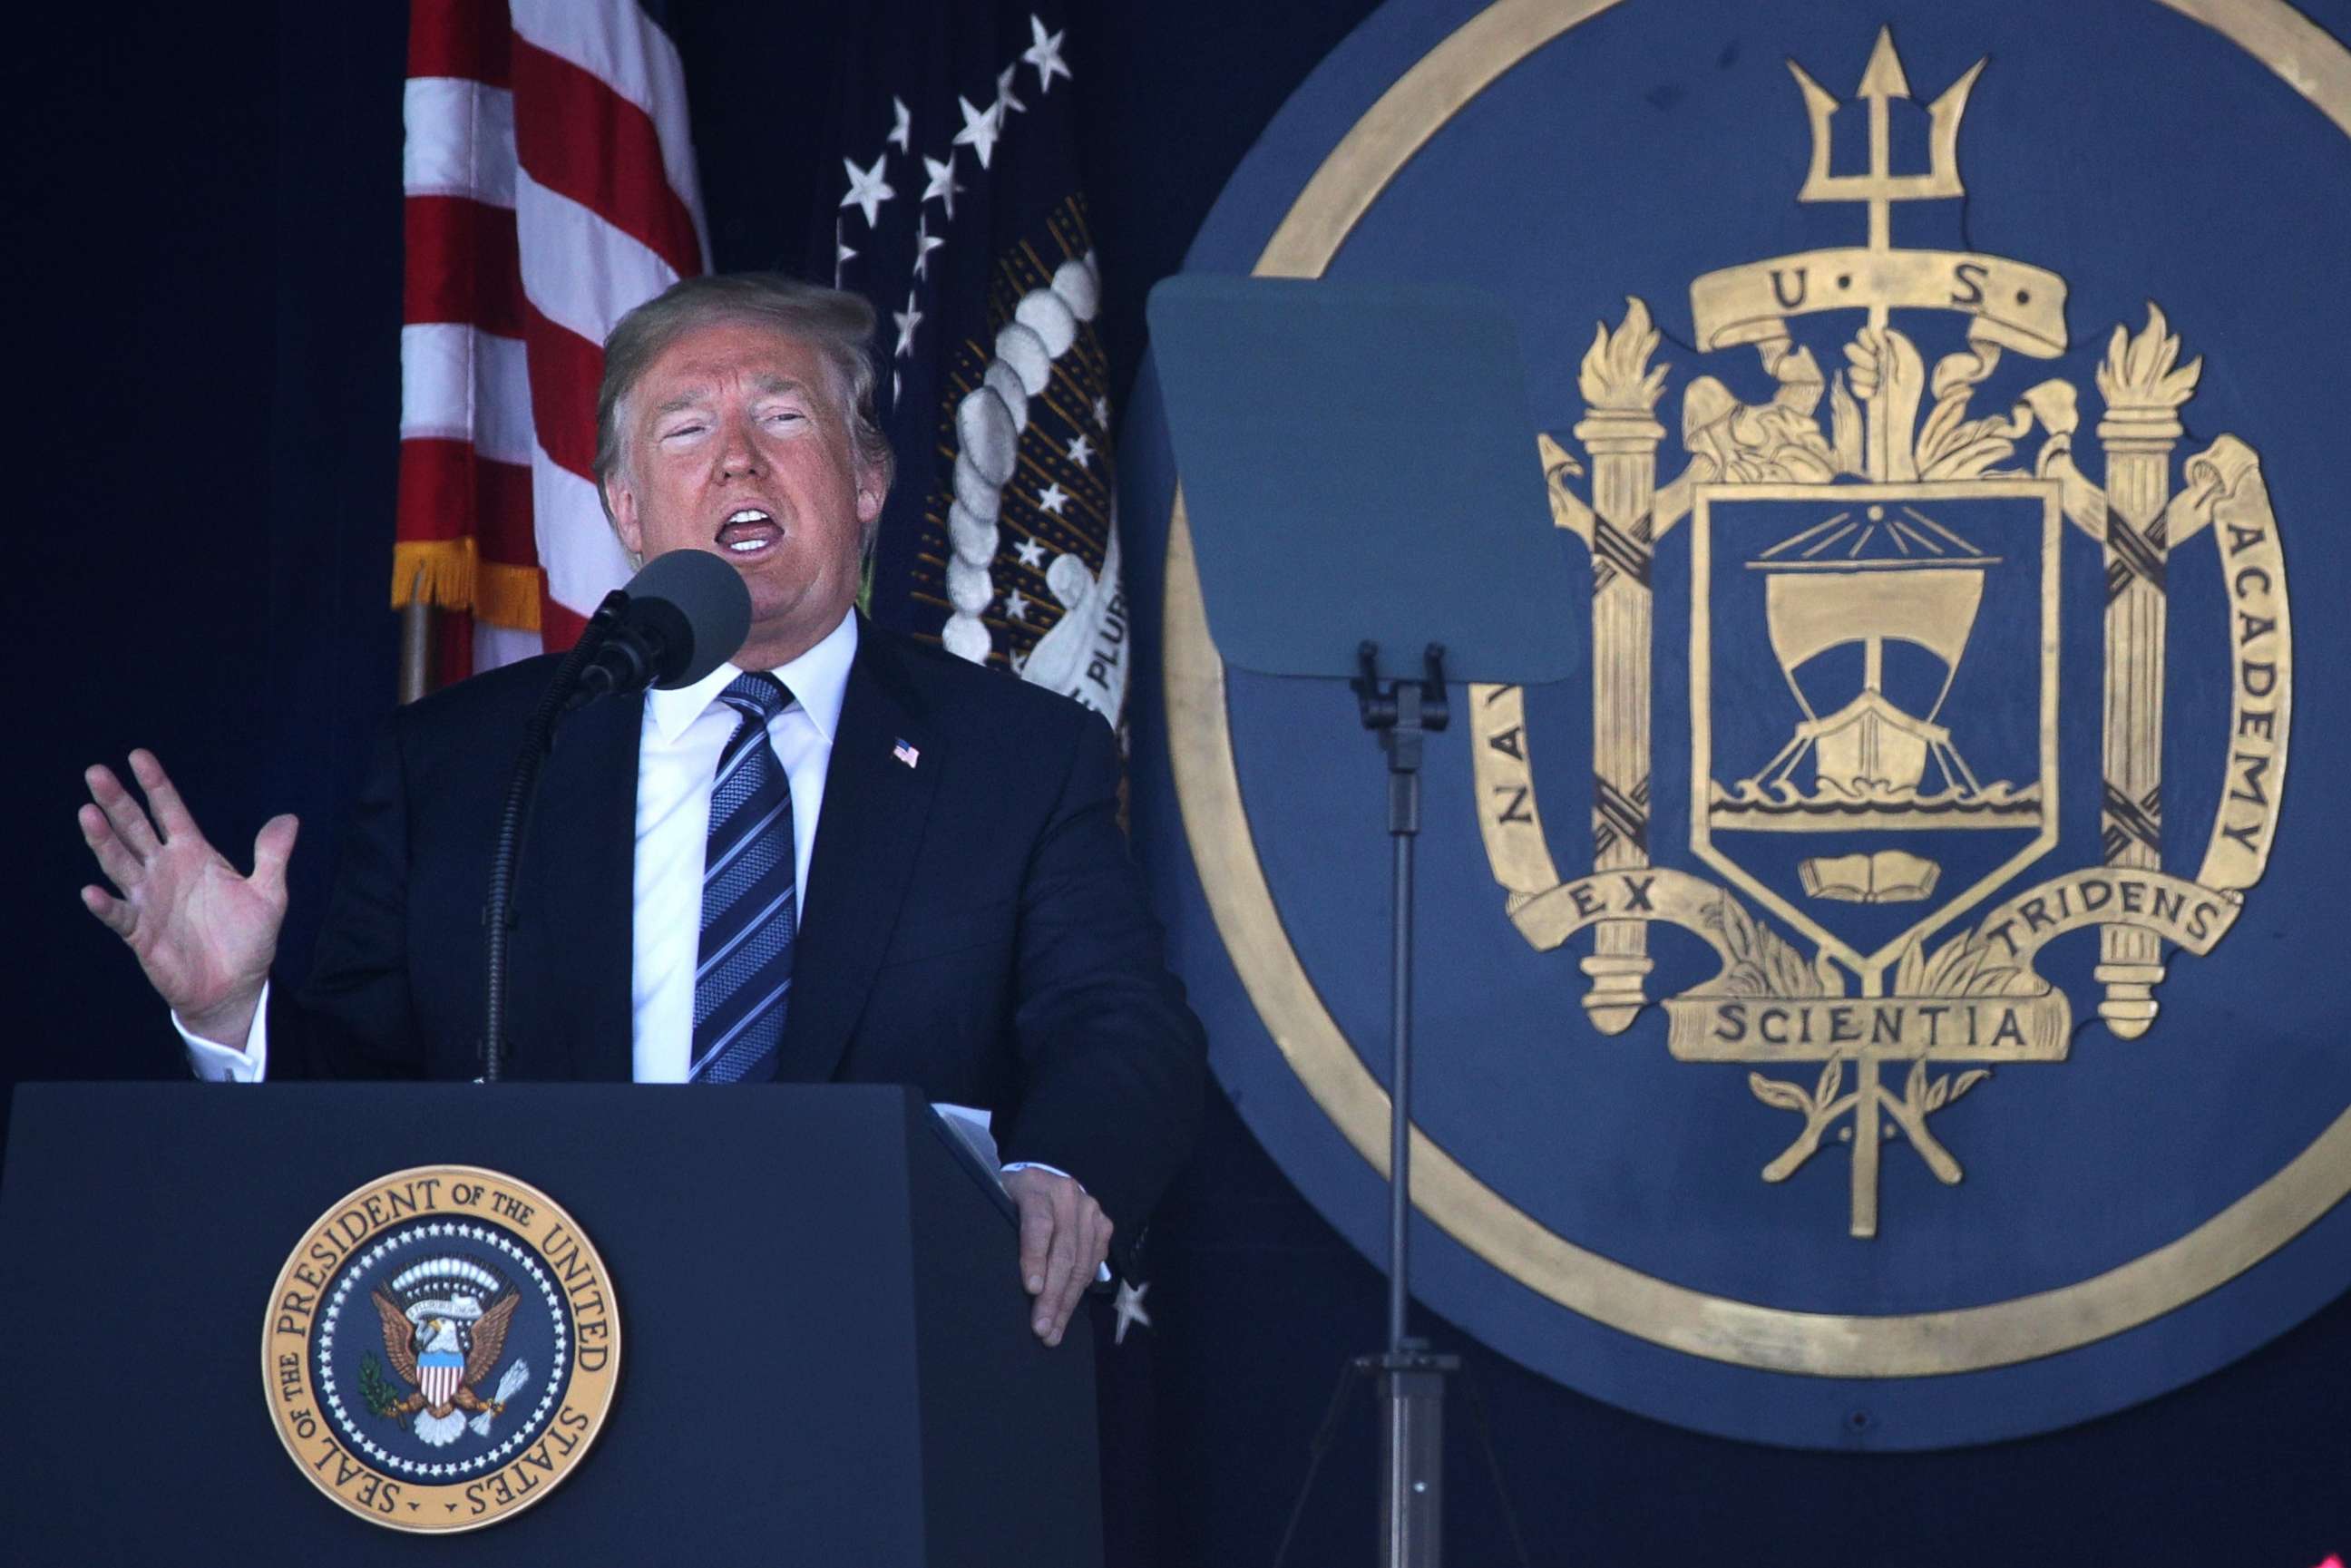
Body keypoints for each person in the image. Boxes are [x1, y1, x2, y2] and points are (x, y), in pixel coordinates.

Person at [77, 273, 1205, 1349]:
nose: (737, 462)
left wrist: (1060, 1170)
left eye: (781, 416)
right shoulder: (466, 766)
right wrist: (234, 1015)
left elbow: (1120, 1028)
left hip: (883, 1361)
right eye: (685, 432)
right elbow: (367, 1109)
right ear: (625, 506)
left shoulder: (1014, 756)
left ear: (865, 482)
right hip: (545, 1383)